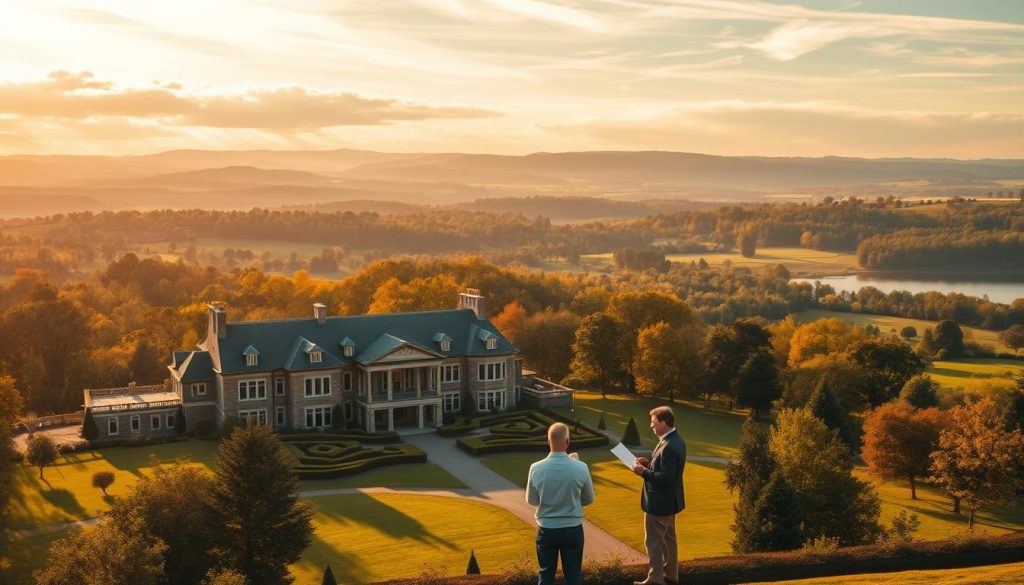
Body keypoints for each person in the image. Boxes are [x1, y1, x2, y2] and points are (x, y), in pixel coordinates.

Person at [526, 422, 596, 585]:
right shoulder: (581, 467)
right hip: (572, 528)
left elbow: (532, 500)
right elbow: (589, 498)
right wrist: (572, 502)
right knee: (573, 576)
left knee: (545, 575)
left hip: (546, 529)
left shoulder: (536, 468)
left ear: (548, 441)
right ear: (567, 442)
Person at [631, 406, 686, 585]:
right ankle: (671, 576)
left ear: (664, 422)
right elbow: (665, 469)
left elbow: (666, 478)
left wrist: (643, 472)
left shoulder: (669, 445)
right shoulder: (674, 439)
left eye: (654, 422)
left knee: (654, 542)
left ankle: (655, 579)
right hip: (669, 503)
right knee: (669, 541)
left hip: (659, 504)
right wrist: (648, 463)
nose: (651, 426)